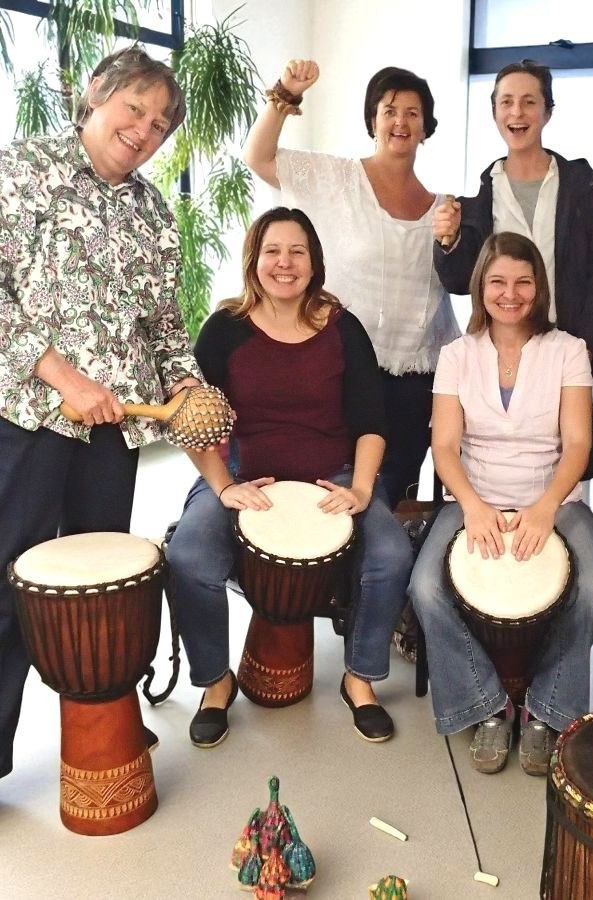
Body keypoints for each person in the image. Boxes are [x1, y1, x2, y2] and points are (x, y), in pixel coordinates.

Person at [0, 45, 202, 779]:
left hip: (108, 435)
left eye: (159, 124)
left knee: (94, 593)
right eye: (135, 109)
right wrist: (61, 376)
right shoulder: (23, 169)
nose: (144, 130)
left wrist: (187, 386)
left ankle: (98, 738)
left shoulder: (151, 208)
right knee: (8, 585)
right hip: (26, 419)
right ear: (96, 95)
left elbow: (164, 326)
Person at [165, 207, 414, 747]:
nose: (285, 263)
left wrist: (363, 489)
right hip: (242, 469)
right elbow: (193, 421)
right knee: (188, 556)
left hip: (335, 471)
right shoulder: (224, 330)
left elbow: (372, 423)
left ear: (313, 262)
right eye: (272, 251)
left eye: (297, 251)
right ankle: (214, 682)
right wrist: (223, 486)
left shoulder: (343, 327)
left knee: (392, 554)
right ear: (254, 260)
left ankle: (360, 678)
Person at [408, 232, 593, 776]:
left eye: (523, 281)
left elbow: (578, 445)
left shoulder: (568, 351)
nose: (510, 293)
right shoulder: (456, 355)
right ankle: (490, 705)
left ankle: (546, 710)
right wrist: (471, 506)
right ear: (481, 287)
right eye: (498, 281)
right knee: (425, 588)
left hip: (554, 497)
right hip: (475, 496)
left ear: (538, 288)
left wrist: (546, 508)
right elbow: (445, 446)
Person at [243, 60, 459, 509]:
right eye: (389, 110)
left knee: (391, 497)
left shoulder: (445, 209)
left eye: (413, 113)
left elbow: (459, 280)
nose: (400, 121)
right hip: (337, 366)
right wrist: (286, 94)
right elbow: (259, 157)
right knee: (333, 489)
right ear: (372, 121)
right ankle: (325, 578)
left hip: (414, 380)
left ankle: (383, 575)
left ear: (426, 127)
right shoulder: (336, 179)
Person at [432, 59, 593, 385]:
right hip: (499, 358)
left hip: (568, 355)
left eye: (529, 102)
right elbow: (460, 281)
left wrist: (584, 356)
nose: (516, 112)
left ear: (548, 112)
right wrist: (447, 240)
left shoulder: (581, 185)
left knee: (574, 437)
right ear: (494, 113)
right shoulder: (479, 201)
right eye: (506, 102)